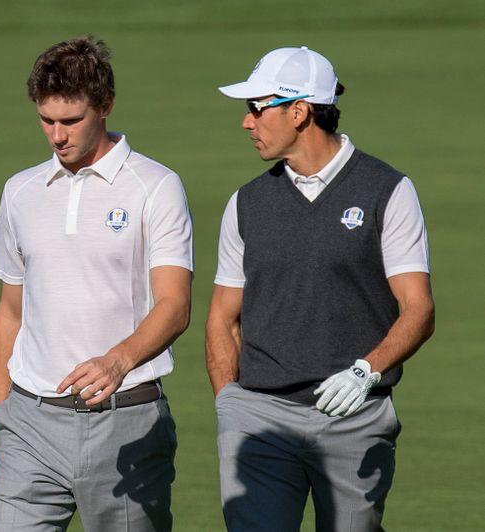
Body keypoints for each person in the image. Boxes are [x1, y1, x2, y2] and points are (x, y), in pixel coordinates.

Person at [206, 46, 436, 531]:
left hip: (355, 417)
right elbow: (223, 316)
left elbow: (418, 309)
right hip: (259, 421)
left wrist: (364, 372)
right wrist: (230, 403)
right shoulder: (246, 203)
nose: (247, 123)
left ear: (299, 110)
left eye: (256, 109)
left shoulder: (387, 190)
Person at [0, 36, 194, 531]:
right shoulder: (20, 192)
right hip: (28, 425)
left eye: (71, 121)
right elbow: (11, 313)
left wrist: (117, 359)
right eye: (46, 120)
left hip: (126, 421)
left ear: (105, 106)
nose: (57, 135)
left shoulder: (157, 187)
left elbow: (175, 303)